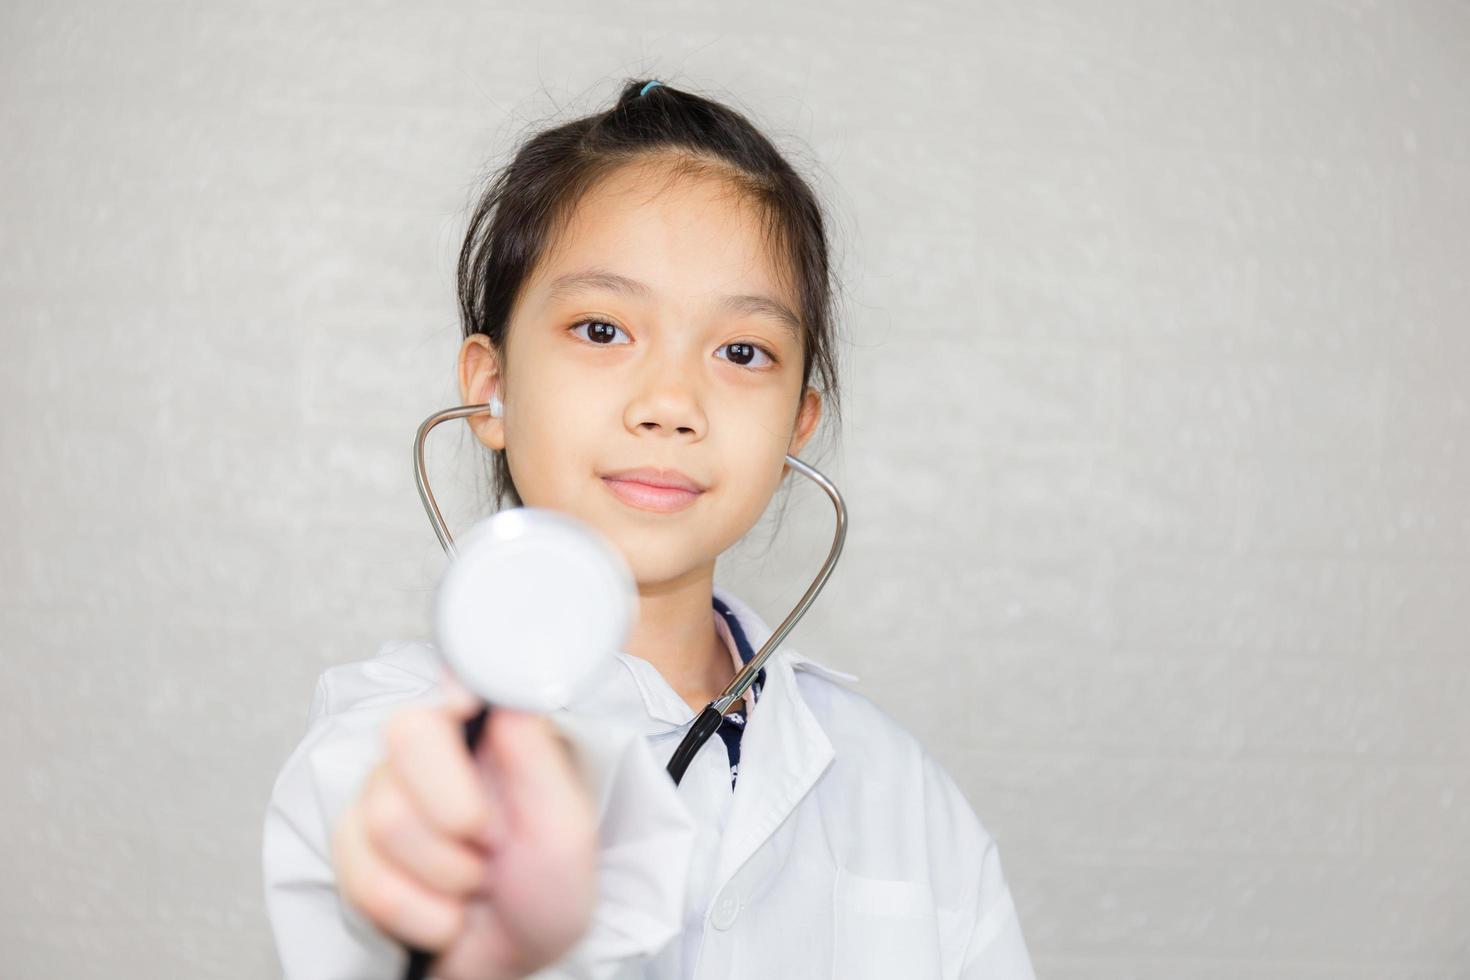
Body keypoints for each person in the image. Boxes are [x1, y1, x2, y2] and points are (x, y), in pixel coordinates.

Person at [262, 77, 1036, 980]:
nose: (671, 404)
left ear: (798, 423)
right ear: (490, 388)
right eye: (601, 329)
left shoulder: (903, 795)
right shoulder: (386, 749)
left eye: (742, 352)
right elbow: (390, 885)